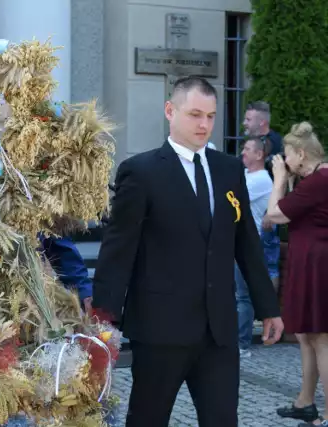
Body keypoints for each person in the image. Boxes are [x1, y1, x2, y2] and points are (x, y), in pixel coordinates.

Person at [92, 76, 283, 427]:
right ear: (170, 110)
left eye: (210, 116)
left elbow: (246, 244)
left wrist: (268, 308)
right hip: (160, 329)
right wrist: (104, 318)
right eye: (195, 114)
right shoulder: (142, 171)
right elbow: (118, 248)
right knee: (148, 420)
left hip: (219, 332)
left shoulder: (228, 170)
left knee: (223, 419)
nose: (204, 124)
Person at [266, 122, 328, 427]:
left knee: (321, 338)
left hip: (318, 265)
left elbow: (272, 216)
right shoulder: (316, 179)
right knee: (306, 334)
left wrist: (278, 181)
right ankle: (305, 402)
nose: (284, 161)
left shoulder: (320, 180)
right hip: (312, 262)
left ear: (301, 153)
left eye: (286, 155)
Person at [236, 137, 275, 358]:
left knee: (242, 296)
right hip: (240, 240)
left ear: (259, 155)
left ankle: (242, 344)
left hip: (252, 242)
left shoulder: (260, 179)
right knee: (237, 295)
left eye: (248, 149)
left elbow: (230, 197)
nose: (243, 152)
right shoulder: (248, 176)